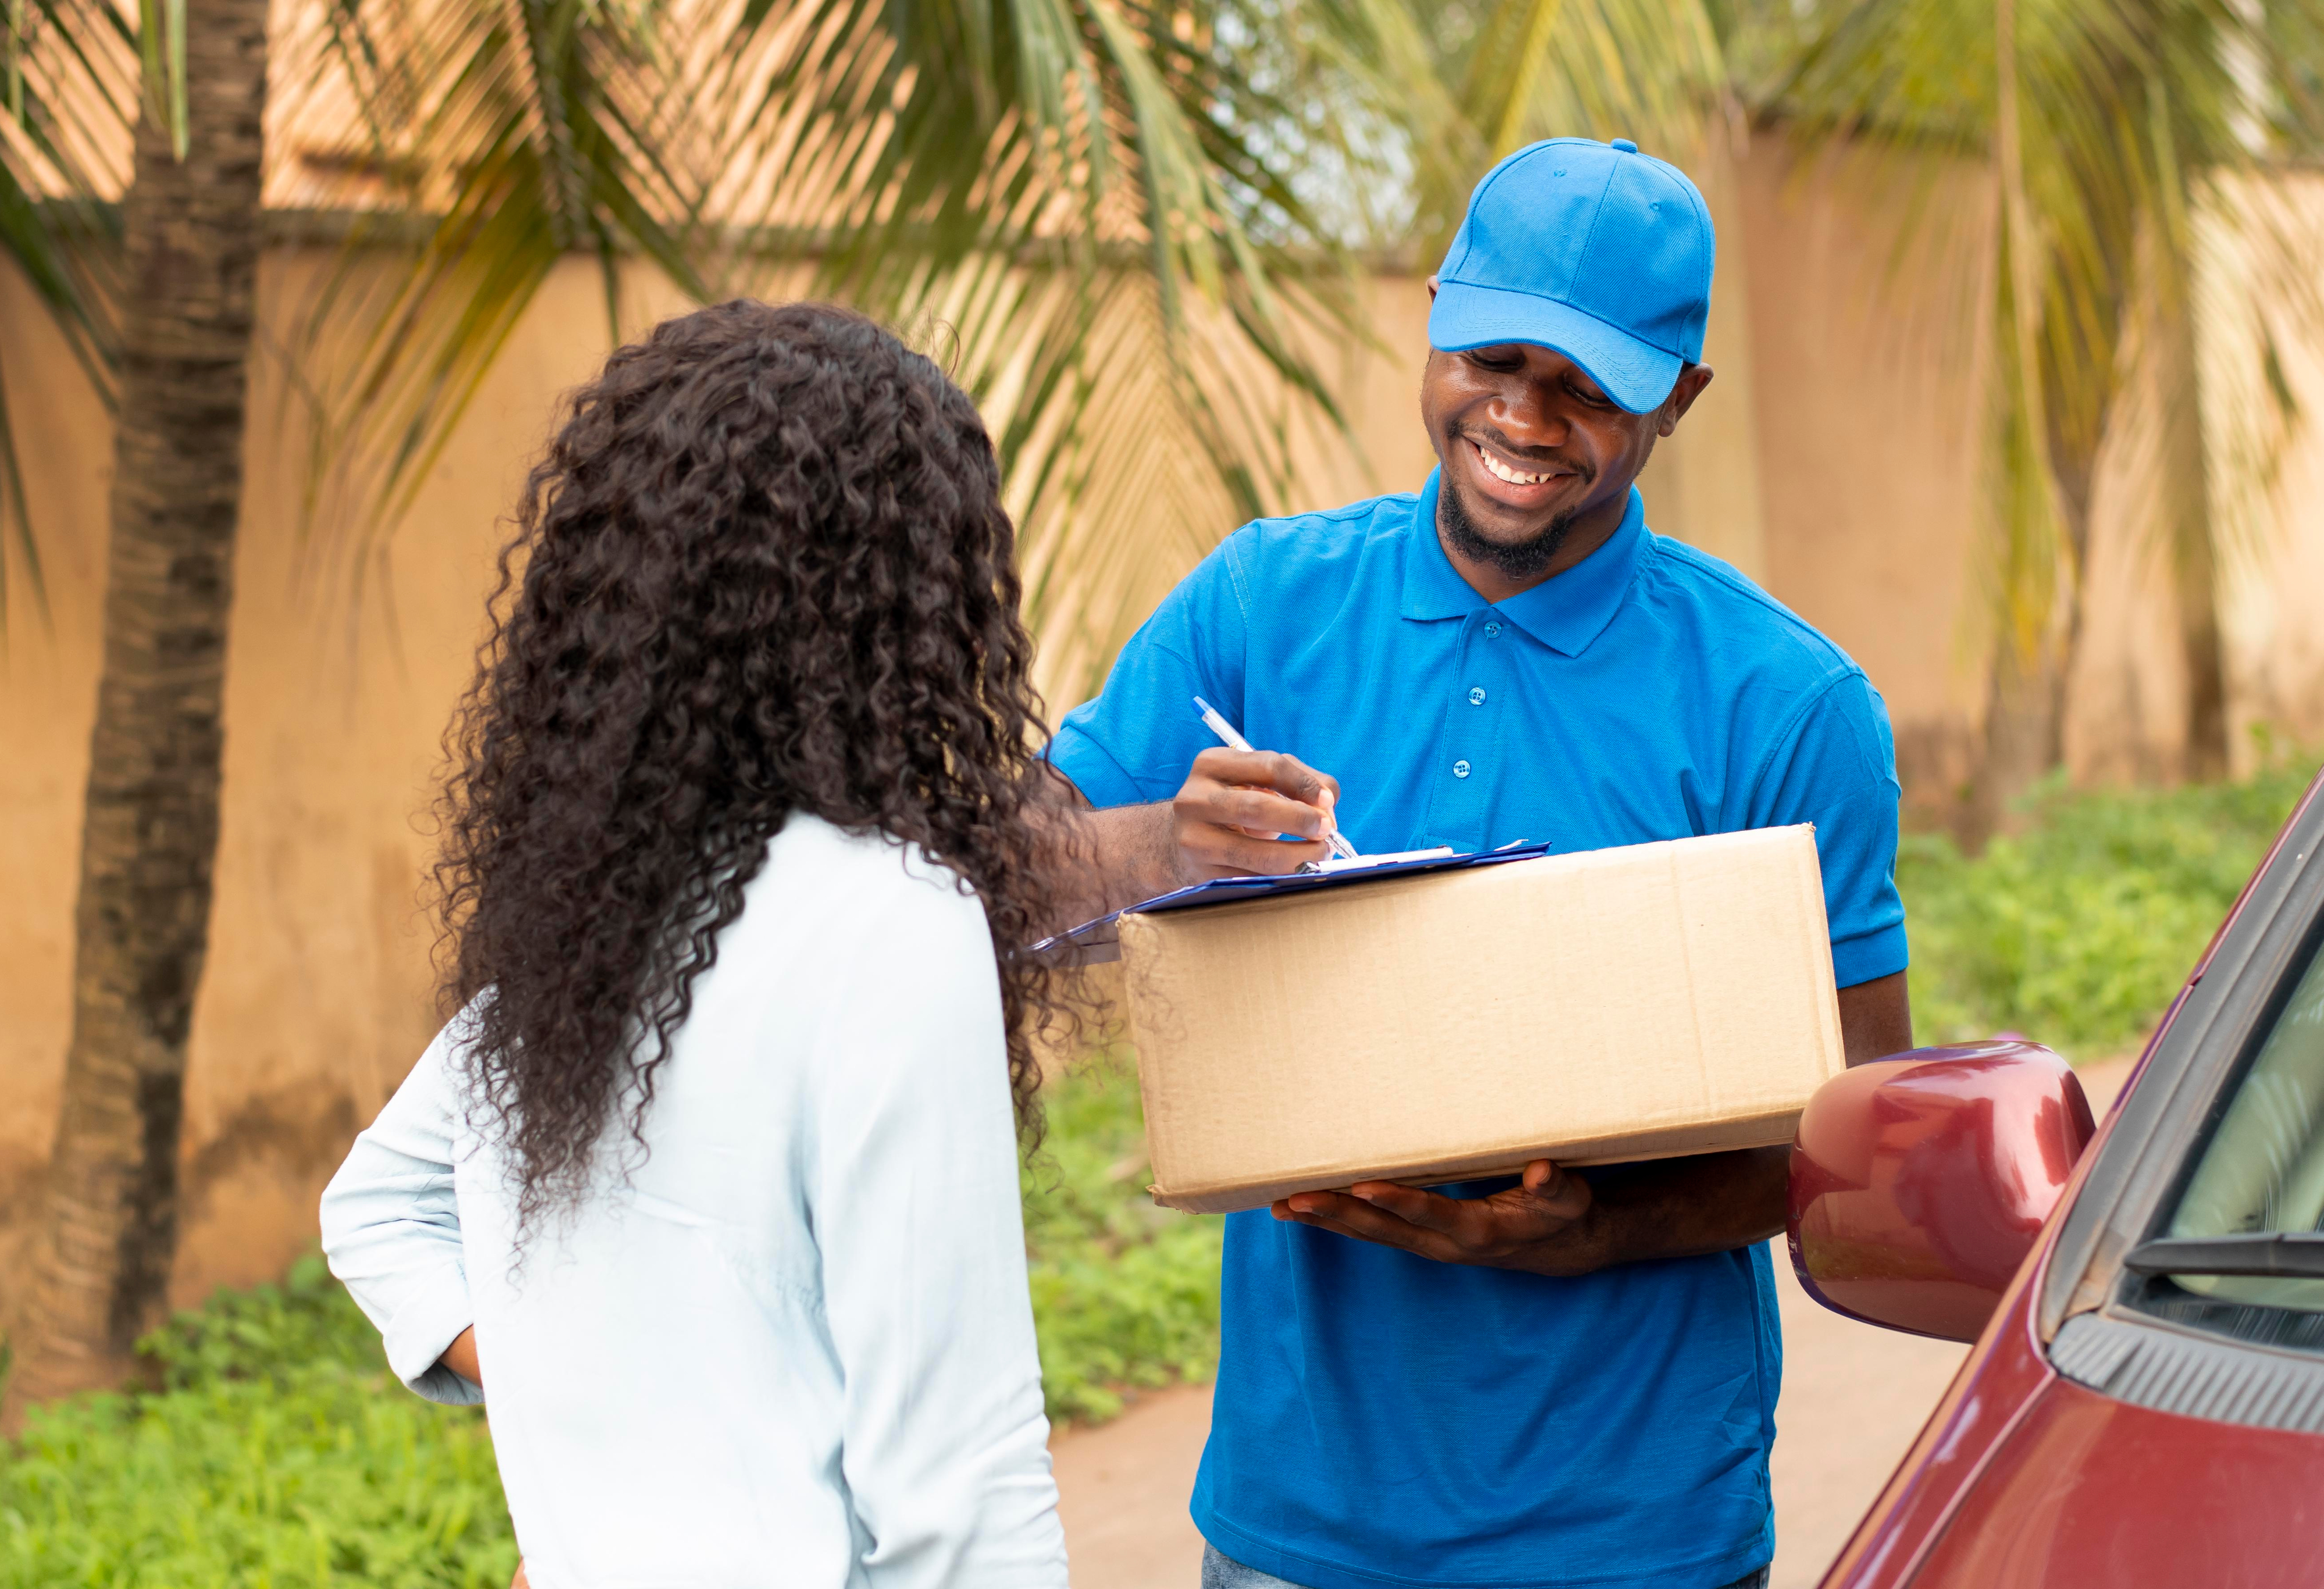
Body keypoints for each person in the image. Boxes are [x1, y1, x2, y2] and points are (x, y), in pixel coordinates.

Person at [1044, 137, 1915, 1589]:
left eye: (1584, 386)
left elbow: (1858, 1144)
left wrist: (1599, 1229)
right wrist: (1157, 840)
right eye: (1489, 356)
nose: (1520, 415)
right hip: (1300, 1528)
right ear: (1433, 320)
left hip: (1634, 1532)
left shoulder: (1785, 703)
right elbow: (1004, 876)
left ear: (1676, 399)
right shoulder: (1263, 606)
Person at [321, 300, 1074, 1589]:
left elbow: (377, 1212)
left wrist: (603, 1410)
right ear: (911, 597)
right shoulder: (890, 921)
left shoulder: (599, 908)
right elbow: (960, 1493)